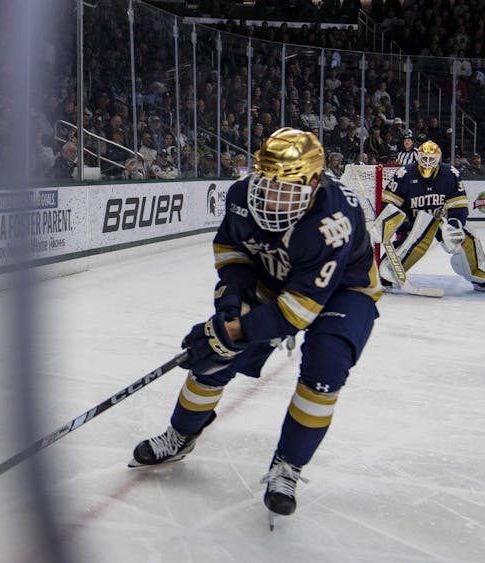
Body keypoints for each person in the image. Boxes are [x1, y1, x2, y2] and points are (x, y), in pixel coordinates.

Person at [130, 128, 382, 526]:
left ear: (314, 183)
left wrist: (230, 332)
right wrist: (230, 308)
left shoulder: (334, 221)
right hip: (272, 281)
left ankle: (288, 467)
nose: (272, 198)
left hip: (343, 293)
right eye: (267, 184)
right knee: (214, 362)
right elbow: (231, 253)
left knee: (324, 372)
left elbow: (297, 311)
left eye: (287, 189)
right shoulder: (240, 197)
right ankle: (180, 435)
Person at [380, 141, 485, 292]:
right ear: (418, 157)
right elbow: (388, 203)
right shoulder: (404, 174)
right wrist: (398, 223)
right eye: (424, 158)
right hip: (414, 223)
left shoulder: (450, 174)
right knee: (416, 239)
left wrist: (455, 224)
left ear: (439, 159)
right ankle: (390, 270)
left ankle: (476, 272)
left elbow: (459, 205)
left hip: (442, 221)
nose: (428, 163)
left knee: (465, 236)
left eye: (432, 159)